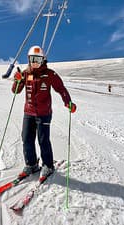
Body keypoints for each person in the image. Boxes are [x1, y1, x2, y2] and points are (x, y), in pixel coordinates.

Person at [12, 45, 76, 181]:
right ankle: (32, 165)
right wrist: (17, 80)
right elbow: (16, 90)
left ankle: (48, 166)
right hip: (28, 112)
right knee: (26, 138)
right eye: (32, 59)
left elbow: (61, 88)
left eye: (38, 59)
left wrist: (68, 102)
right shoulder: (25, 73)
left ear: (43, 60)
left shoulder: (49, 74)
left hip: (44, 113)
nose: (35, 62)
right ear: (29, 59)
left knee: (43, 140)